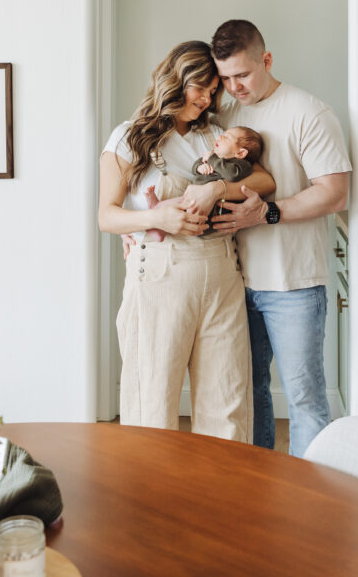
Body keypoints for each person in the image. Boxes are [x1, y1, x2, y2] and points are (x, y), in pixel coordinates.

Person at [179, 20, 351, 457]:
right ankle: (258, 499)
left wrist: (268, 212)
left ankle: (310, 507)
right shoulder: (222, 117)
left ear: (267, 60)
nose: (233, 87)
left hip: (293, 282)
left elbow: (334, 193)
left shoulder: (309, 113)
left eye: (243, 75)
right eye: (226, 78)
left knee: (304, 401)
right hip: (233, 282)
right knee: (249, 395)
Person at [98, 40, 275, 441]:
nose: (207, 98)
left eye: (213, 91)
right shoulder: (129, 138)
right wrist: (155, 217)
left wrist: (217, 191)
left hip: (222, 276)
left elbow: (265, 181)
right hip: (160, 274)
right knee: (152, 405)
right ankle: (150, 503)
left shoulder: (215, 135)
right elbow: (106, 215)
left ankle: (220, 503)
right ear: (176, 80)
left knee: (227, 406)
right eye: (201, 87)